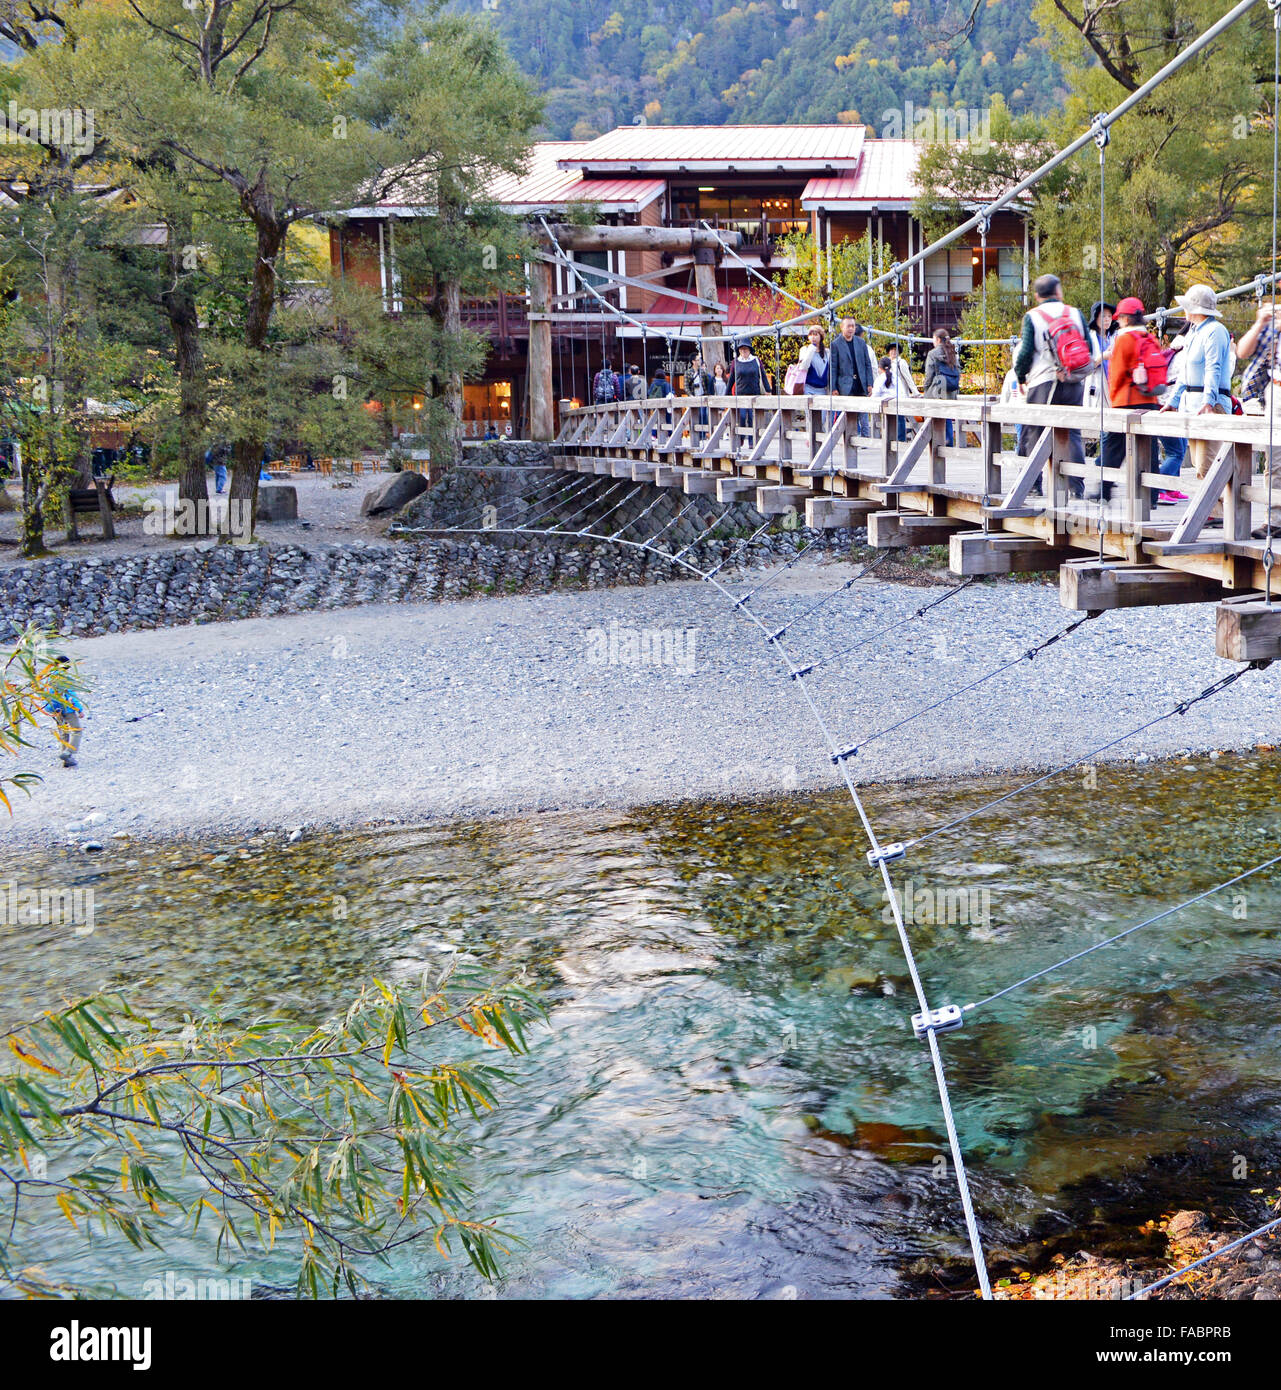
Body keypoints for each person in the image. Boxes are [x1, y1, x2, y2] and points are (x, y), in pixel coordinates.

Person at [1014, 273, 1095, 497]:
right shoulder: (1075, 313)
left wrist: (1021, 378)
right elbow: (1087, 347)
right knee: (1072, 434)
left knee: (1033, 432)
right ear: (1058, 292)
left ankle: (1032, 485)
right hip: (1072, 381)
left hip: (1043, 381)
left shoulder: (1033, 316)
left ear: (1037, 295)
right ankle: (1076, 488)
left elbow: (1026, 352)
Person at [1160, 283, 1233, 524]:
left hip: (1209, 404)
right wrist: (1173, 401)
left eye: (1187, 307)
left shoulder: (1215, 331)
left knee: (1208, 460)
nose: (1184, 311)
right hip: (1192, 405)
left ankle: (1218, 511)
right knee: (1197, 461)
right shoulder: (1193, 332)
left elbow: (1214, 367)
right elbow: (1184, 374)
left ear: (1195, 308)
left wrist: (1209, 401)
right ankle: (1211, 509)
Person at [1099, 296, 1160, 504]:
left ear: (1124, 318)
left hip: (1126, 401)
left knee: (1113, 447)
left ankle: (1104, 491)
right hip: (1150, 400)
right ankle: (1151, 496)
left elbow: (1115, 375)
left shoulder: (1124, 340)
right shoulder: (1151, 339)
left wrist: (1113, 402)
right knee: (1149, 448)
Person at [831, 316, 876, 436]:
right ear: (842, 327)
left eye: (853, 326)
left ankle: (864, 439)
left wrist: (870, 383)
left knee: (863, 413)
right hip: (845, 385)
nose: (851, 329)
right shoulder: (835, 344)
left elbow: (867, 364)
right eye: (848, 326)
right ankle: (850, 439)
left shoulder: (861, 342)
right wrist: (833, 387)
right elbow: (833, 368)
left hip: (860, 384)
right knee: (848, 415)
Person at [923, 328, 960, 446]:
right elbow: (958, 371)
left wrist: (926, 389)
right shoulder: (952, 352)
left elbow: (929, 375)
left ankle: (936, 444)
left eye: (934, 339)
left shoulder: (932, 354)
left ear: (938, 339)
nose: (933, 342)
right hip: (951, 391)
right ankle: (948, 443)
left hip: (938, 390)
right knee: (947, 417)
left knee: (934, 417)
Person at [44, 656, 83, 769]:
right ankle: (68, 752)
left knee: (64, 732)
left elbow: (46, 693)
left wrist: (50, 709)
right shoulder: (64, 677)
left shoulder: (49, 677)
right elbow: (70, 695)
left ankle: (66, 760)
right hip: (67, 708)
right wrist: (79, 709)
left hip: (55, 710)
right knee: (77, 730)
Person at [885, 341, 917, 442]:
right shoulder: (887, 363)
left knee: (900, 418)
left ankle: (901, 439)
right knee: (891, 418)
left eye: (895, 350)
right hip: (890, 395)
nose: (893, 352)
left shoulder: (901, 362)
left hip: (901, 394)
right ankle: (893, 439)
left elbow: (908, 378)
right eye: (891, 350)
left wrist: (915, 392)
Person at [731, 339, 766, 432]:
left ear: (749, 350)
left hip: (754, 394)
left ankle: (752, 441)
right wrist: (726, 395)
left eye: (745, 349)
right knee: (741, 417)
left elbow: (763, 375)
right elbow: (731, 379)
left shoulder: (756, 360)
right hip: (741, 394)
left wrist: (768, 390)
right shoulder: (735, 362)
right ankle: (741, 437)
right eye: (741, 349)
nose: (743, 351)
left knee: (752, 418)